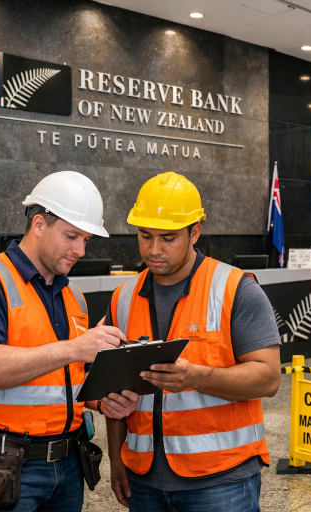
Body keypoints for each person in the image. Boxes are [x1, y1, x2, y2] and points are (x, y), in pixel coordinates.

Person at [0, 171, 139, 512]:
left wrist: (103, 401)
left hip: (66, 464)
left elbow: (66, 378)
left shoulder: (72, 295)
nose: (80, 250)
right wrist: (75, 348)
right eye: (71, 236)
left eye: (87, 240)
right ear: (38, 224)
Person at [103, 172, 281, 512]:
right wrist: (116, 458)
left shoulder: (235, 288)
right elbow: (115, 389)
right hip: (143, 480)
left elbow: (269, 378)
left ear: (194, 232)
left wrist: (197, 377)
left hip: (221, 481)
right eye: (144, 236)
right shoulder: (123, 298)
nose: (154, 250)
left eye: (168, 238)